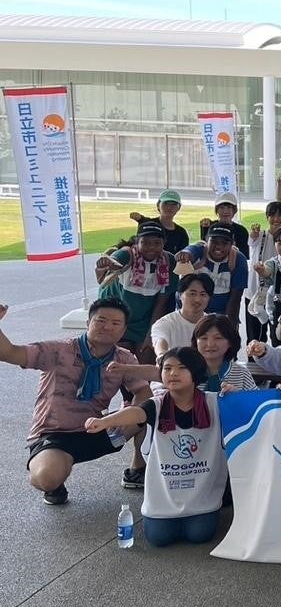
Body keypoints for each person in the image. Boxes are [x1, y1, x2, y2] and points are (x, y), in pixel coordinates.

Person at [0, 298, 151, 505]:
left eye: (115, 323)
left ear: (123, 330)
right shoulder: (58, 350)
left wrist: (125, 415)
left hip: (97, 427)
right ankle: (55, 480)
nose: (107, 327)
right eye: (101, 320)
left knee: (150, 409)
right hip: (55, 433)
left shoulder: (124, 358)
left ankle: (137, 469)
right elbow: (9, 353)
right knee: (47, 477)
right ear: (88, 323)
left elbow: (143, 391)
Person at [84, 347, 226, 546]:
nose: (173, 373)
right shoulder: (157, 404)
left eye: (182, 368)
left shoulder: (214, 402)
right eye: (167, 369)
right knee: (159, 538)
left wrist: (233, 394)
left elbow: (247, 409)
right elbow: (136, 413)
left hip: (201, 496)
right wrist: (105, 421)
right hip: (164, 495)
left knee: (199, 534)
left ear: (196, 372)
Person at [95, 220, 177, 364]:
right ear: (137, 242)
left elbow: (161, 303)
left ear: (164, 243)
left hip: (144, 322)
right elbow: (111, 266)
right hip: (116, 319)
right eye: (145, 243)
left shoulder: (168, 262)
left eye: (157, 243)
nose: (151, 247)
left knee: (145, 363)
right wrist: (105, 264)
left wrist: (150, 335)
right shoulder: (126, 254)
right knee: (118, 366)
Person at [244, 200, 281, 343]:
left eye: (280, 215)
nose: (276, 219)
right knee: (255, 336)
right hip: (255, 292)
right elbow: (251, 241)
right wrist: (253, 234)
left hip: (278, 294)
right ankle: (255, 357)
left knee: (278, 335)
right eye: (272, 215)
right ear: (267, 217)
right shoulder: (259, 235)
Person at [151, 272, 213, 357]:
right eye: (192, 294)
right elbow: (160, 343)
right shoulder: (165, 323)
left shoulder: (213, 324)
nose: (197, 299)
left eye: (203, 294)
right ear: (180, 295)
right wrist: (162, 356)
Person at [191, 314, 256, 392]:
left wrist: (238, 396)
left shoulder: (242, 374)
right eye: (204, 338)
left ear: (230, 342)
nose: (210, 344)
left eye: (218, 338)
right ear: (196, 342)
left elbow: (258, 399)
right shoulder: (187, 372)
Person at [128, 189, 190, 257]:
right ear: (158, 205)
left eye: (174, 204)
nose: (169, 207)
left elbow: (182, 256)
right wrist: (140, 219)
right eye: (165, 203)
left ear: (179, 207)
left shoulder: (181, 233)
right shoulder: (148, 225)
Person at [198, 192, 250, 256]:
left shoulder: (241, 230)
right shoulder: (210, 227)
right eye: (221, 208)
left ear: (234, 210)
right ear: (217, 210)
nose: (225, 211)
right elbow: (203, 249)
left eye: (229, 207)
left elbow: (244, 255)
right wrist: (204, 228)